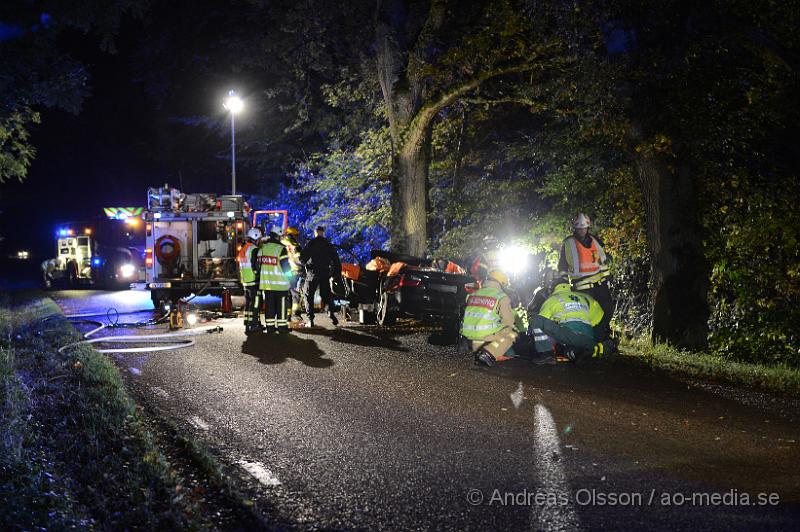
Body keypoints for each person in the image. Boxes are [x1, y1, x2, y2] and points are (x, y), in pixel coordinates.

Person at [558, 213, 614, 339]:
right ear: (575, 228)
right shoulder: (568, 243)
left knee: (608, 308)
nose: (582, 231)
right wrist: (563, 281)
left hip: (600, 284)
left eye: (584, 228)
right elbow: (562, 265)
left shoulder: (595, 241)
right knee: (589, 315)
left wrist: (608, 277)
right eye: (579, 228)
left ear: (588, 227)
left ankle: (601, 334)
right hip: (582, 287)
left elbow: (602, 262)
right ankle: (592, 338)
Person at [531, 282, 615, 362]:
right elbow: (600, 319)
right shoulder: (585, 297)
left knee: (535, 319)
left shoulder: (552, 299)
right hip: (588, 337)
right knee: (571, 350)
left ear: (554, 289)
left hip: (569, 335)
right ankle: (588, 350)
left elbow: (542, 320)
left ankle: (546, 355)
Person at [461, 269, 520, 366]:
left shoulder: (474, 294)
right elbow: (508, 321)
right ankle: (488, 353)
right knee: (512, 332)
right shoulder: (501, 297)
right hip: (486, 336)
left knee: (508, 352)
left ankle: (481, 353)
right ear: (502, 283)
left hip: (470, 337)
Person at [299, 226, 341, 327]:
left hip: (312, 273)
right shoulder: (328, 244)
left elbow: (302, 258)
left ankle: (310, 319)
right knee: (326, 295)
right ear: (323, 232)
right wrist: (336, 275)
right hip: (325, 273)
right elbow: (336, 261)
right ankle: (331, 313)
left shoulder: (311, 243)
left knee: (308, 295)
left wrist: (303, 268)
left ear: (315, 232)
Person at [256, 230, 292, 333]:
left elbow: (257, 265)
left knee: (269, 306)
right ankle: (282, 327)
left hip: (267, 284)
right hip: (280, 284)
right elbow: (286, 268)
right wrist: (291, 278)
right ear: (278, 236)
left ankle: (270, 327)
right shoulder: (281, 249)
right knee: (281, 306)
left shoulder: (263, 248)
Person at [238, 227, 262, 335]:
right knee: (256, 303)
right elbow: (255, 265)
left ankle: (247, 322)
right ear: (256, 238)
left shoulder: (244, 248)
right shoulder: (254, 249)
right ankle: (253, 324)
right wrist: (259, 275)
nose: (260, 241)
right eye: (259, 239)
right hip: (253, 280)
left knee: (248, 303)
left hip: (245, 281)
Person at [281, 226, 305, 321]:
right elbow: (300, 260)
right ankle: (296, 314)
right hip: (294, 273)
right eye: (296, 236)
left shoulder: (281, 244)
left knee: (286, 295)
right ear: (292, 236)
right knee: (295, 294)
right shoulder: (296, 246)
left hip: (284, 273)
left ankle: (287, 316)